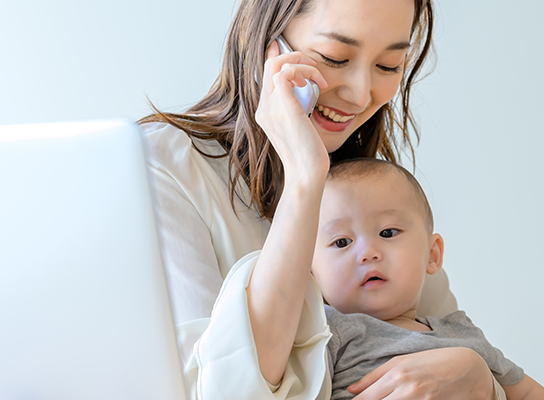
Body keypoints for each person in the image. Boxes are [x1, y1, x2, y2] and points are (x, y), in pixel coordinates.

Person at [138, 0, 507, 398]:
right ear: (270, 47)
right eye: (334, 57)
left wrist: (480, 378)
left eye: (388, 65)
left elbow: (442, 345)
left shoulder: (372, 191)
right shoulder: (163, 169)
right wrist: (303, 179)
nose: (360, 93)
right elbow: (220, 392)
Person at [309, 158, 544, 399]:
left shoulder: (461, 333)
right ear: (312, 272)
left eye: (387, 233)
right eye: (341, 242)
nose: (368, 253)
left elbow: (528, 393)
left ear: (432, 255)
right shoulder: (323, 333)